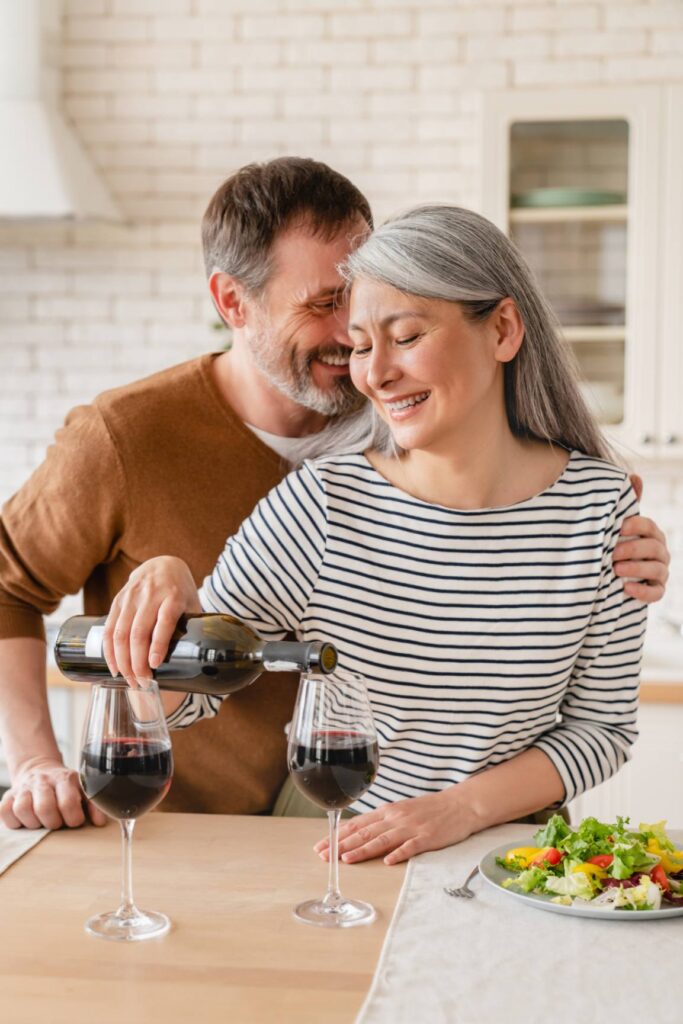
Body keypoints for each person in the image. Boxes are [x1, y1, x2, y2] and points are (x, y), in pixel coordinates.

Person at [0, 164, 669, 831]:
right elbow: (185, 679)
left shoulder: (590, 506)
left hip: (499, 849)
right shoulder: (259, 480)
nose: (370, 368)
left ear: (501, 330)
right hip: (229, 831)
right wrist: (165, 606)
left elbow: (599, 726)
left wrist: (591, 516)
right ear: (233, 303)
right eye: (335, 316)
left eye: (394, 330)